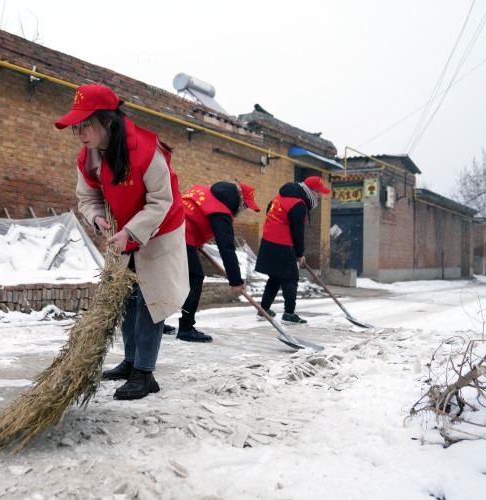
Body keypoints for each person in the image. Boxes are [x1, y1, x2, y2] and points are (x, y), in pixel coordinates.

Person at [54, 84, 189, 400]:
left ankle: (145, 373)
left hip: (160, 228)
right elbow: (88, 196)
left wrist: (132, 231)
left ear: (108, 121)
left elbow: (161, 201)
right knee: (126, 297)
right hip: (122, 229)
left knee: (149, 300)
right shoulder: (88, 156)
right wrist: (97, 217)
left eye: (86, 125)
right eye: (76, 127)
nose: (80, 133)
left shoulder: (144, 149)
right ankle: (130, 363)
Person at [170, 182, 261, 343]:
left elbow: (192, 215)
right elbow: (226, 248)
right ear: (239, 200)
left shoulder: (200, 190)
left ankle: (154, 321)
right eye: (245, 205)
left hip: (167, 230)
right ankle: (186, 328)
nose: (243, 210)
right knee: (195, 277)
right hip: (179, 235)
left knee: (166, 278)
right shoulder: (220, 210)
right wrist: (236, 280)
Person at [254, 175, 332, 325]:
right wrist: (299, 253)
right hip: (282, 243)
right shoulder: (298, 204)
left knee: (275, 277)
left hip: (269, 240)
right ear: (311, 191)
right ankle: (289, 314)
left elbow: (269, 208)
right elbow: (298, 231)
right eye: (319, 192)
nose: (320, 196)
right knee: (290, 278)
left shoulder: (283, 195)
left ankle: (263, 310)